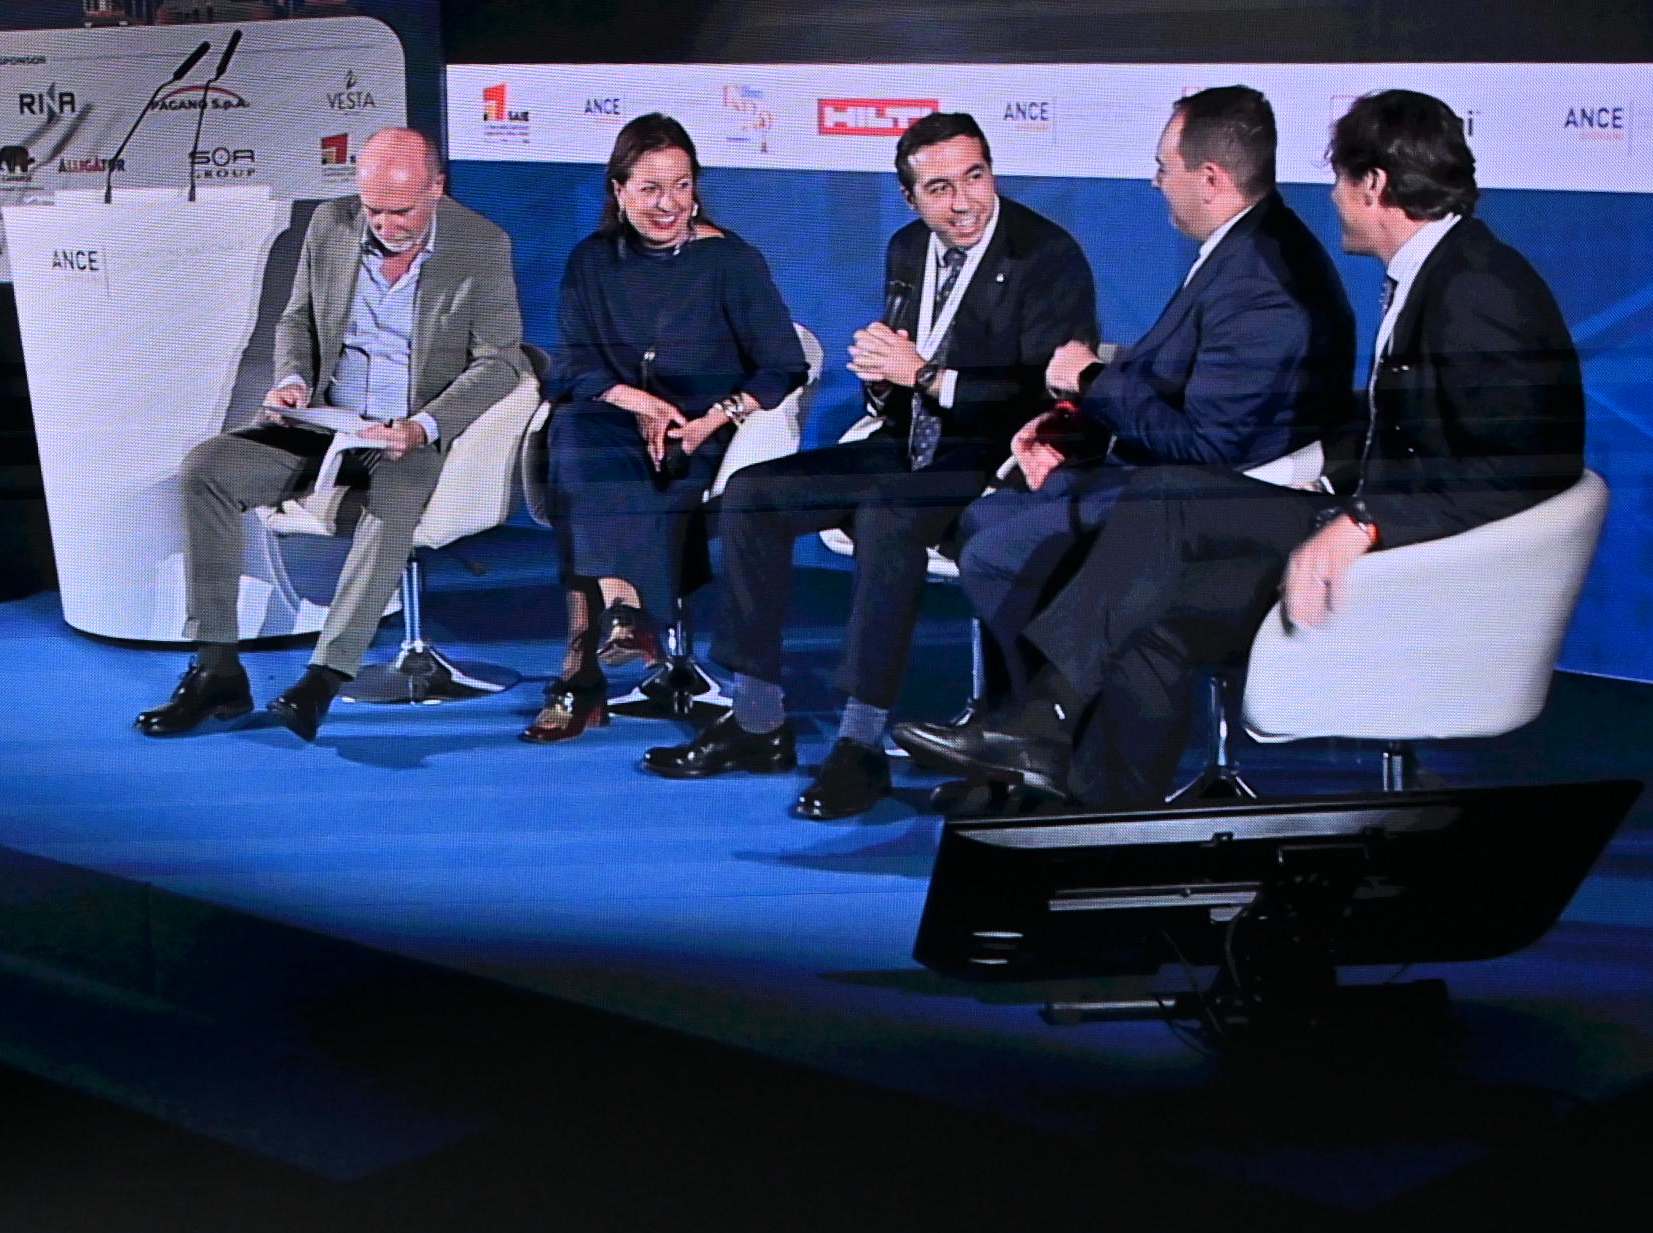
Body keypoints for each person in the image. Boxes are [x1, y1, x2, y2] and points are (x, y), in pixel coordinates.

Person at [948, 88, 1584, 811]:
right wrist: (1324, 469)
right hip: (1377, 521)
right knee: (1149, 605)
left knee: (1162, 503)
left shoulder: (1477, 290)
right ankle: (1101, 816)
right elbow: (1415, 421)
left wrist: (1365, 521)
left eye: (1340, 179)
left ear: (1374, 184)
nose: (1332, 198)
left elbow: (1522, 470)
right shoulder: (1444, 270)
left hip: (1426, 568)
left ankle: (1043, 725)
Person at [898, 86, 1354, 789]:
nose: (1155, 182)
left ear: (1210, 178)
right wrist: (1076, 424)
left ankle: (1053, 743)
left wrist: (1089, 382)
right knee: (985, 522)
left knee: (999, 551)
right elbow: (1170, 380)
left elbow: (1208, 450)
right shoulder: (1240, 248)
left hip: (1221, 499)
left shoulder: (1262, 279)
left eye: (1164, 167)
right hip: (1172, 477)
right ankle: (1033, 742)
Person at [642, 111, 1093, 821]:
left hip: (991, 453)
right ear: (910, 198)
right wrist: (884, 378)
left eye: (975, 177)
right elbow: (903, 371)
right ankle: (758, 721)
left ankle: (860, 744)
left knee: (888, 515)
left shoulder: (1046, 254)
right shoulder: (908, 247)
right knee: (753, 495)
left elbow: (1049, 390)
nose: (964, 203)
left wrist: (928, 377)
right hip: (904, 440)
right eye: (939, 189)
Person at [135, 128, 528, 747]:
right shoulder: (330, 224)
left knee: (394, 501)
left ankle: (323, 678)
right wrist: (292, 379)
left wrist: (423, 426)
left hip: (404, 436)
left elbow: (501, 361)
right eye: (374, 210)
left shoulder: (481, 244)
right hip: (326, 424)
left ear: (436, 188)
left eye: (402, 212)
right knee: (207, 470)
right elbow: (296, 319)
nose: (386, 226)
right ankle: (216, 669)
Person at [522, 113, 809, 745]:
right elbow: (571, 367)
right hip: (614, 420)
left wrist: (715, 418)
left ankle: (582, 671)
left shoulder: (730, 260)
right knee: (573, 444)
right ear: (619, 191)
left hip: (700, 428)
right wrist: (637, 403)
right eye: (650, 188)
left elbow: (784, 363)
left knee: (620, 481)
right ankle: (623, 614)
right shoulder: (592, 261)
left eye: (681, 186)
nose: (668, 204)